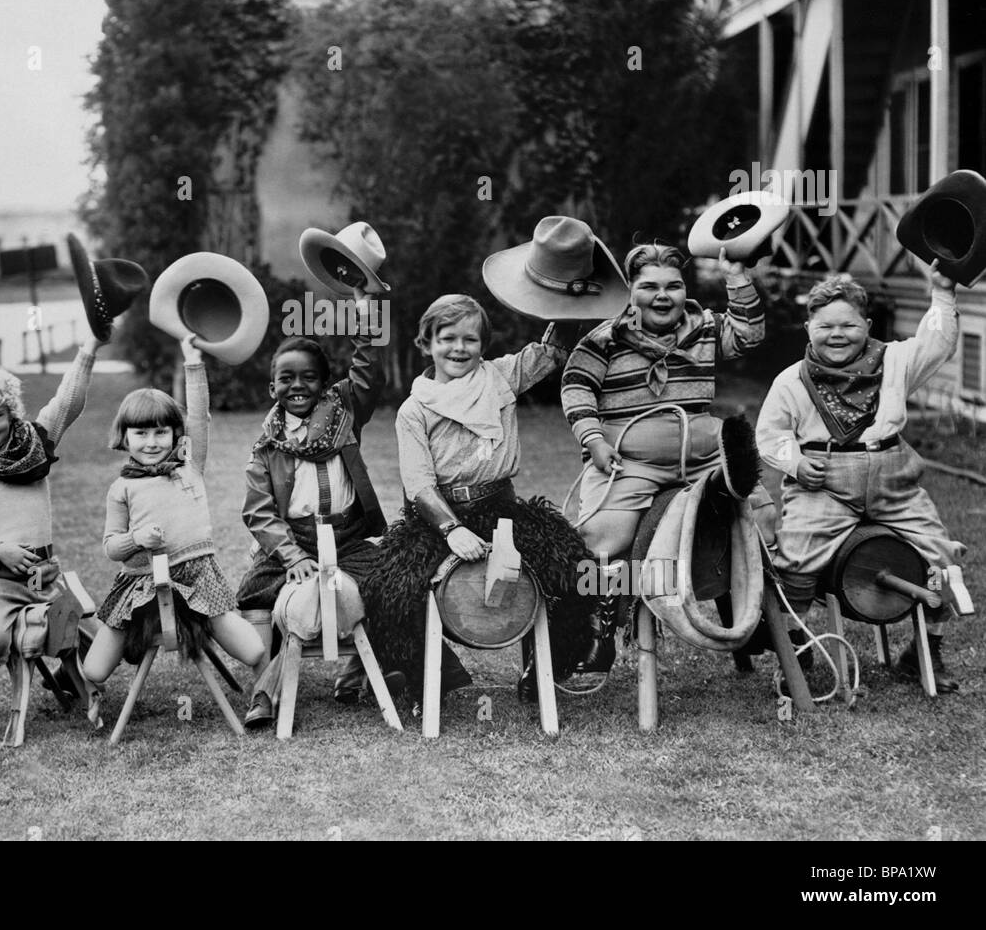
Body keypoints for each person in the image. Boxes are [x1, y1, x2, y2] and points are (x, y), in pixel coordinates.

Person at [360, 294, 594, 709]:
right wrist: (452, 530)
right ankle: (431, 678)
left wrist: (567, 292)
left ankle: (545, 668)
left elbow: (553, 351)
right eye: (447, 338)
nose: (458, 348)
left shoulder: (500, 376)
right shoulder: (413, 410)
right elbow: (418, 482)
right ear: (426, 343)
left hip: (501, 509)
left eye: (470, 339)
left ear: (483, 345)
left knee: (577, 569)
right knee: (385, 590)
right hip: (438, 518)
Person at [561, 242, 773, 674]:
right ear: (630, 291)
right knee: (602, 540)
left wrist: (736, 275)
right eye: (649, 286)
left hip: (702, 454)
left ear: (685, 290)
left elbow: (750, 334)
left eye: (673, 286)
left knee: (761, 516)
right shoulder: (604, 338)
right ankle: (602, 620)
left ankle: (759, 614)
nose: (663, 295)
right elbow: (576, 387)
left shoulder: (705, 327)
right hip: (631, 460)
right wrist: (594, 439)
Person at [755, 269, 963, 692]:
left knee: (944, 559)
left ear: (867, 326)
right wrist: (794, 463)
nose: (837, 334)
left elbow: (937, 343)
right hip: (823, 486)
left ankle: (927, 650)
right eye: (825, 326)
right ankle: (794, 645)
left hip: (894, 482)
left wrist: (942, 294)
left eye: (848, 325)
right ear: (808, 326)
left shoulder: (894, 361)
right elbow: (770, 435)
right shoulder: (791, 380)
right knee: (794, 560)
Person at [235, 285, 400, 729]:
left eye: (308, 377)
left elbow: (370, 373)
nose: (297, 386)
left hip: (348, 538)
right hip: (294, 542)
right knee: (257, 594)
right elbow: (258, 512)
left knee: (394, 582)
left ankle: (359, 669)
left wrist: (366, 315)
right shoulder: (267, 444)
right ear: (272, 387)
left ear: (325, 384)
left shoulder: (345, 409)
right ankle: (266, 690)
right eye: (286, 378)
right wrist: (292, 557)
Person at [82, 335, 264, 721]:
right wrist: (137, 539)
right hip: (142, 586)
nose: (151, 442)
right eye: (141, 433)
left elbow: (199, 415)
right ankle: (92, 692)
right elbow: (111, 547)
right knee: (94, 669)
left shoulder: (190, 467)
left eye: (161, 432)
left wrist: (193, 362)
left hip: (199, 577)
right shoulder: (122, 488)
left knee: (254, 650)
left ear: (175, 435)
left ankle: (268, 693)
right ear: (124, 437)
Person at [0, 336, 104, 742]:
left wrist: (88, 350)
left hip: (42, 574)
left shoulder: (35, 444)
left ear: (11, 411)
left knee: (97, 640)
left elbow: (67, 403)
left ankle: (67, 674)